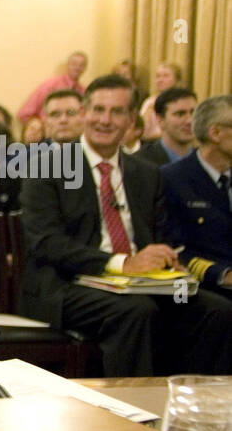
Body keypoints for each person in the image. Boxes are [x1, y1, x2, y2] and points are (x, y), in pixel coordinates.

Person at [19, 74, 232, 377]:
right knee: (136, 311)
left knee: (216, 310)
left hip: (143, 282)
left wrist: (169, 259)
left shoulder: (146, 173)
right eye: (98, 110)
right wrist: (123, 263)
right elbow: (47, 243)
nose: (105, 120)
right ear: (84, 113)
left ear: (131, 120)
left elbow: (161, 235)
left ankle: (194, 406)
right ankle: (131, 411)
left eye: (117, 112)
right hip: (67, 284)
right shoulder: (48, 166)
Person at [160, 94, 232, 297]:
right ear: (215, 133)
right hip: (198, 286)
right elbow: (172, 249)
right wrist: (223, 274)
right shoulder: (172, 179)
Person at [18, 51, 88, 122]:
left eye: (81, 65)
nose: (77, 68)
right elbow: (24, 114)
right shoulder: (51, 85)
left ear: (85, 68)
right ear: (67, 65)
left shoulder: (84, 92)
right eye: (74, 64)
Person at [135, 86, 197, 166]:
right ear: (160, 120)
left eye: (194, 113)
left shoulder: (207, 161)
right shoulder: (139, 163)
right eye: (180, 114)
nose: (189, 120)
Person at [139, 62, 182, 140]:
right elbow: (140, 130)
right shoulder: (149, 102)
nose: (160, 80)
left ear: (177, 79)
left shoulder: (182, 103)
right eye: (158, 76)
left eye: (166, 76)